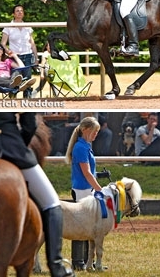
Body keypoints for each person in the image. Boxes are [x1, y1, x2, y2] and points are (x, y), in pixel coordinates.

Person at [0, 112, 74, 277]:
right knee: (52, 202)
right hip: (10, 145)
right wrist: (19, 142)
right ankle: (57, 265)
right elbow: (29, 122)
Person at [66, 116, 103, 270]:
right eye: (94, 131)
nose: (96, 134)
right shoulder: (81, 148)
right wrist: (101, 190)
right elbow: (86, 173)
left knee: (88, 227)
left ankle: (88, 261)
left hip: (87, 188)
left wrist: (99, 176)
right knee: (80, 226)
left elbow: (90, 172)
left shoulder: (85, 146)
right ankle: (77, 261)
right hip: (82, 189)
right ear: (85, 130)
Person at [1, 5, 39, 97]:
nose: (20, 12)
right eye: (17, 11)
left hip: (28, 55)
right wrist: (8, 51)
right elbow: (3, 43)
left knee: (27, 81)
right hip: (15, 57)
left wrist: (36, 57)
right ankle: (12, 100)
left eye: (21, 11)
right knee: (15, 79)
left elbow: (32, 44)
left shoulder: (28, 27)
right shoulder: (8, 27)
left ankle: (27, 101)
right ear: (13, 14)